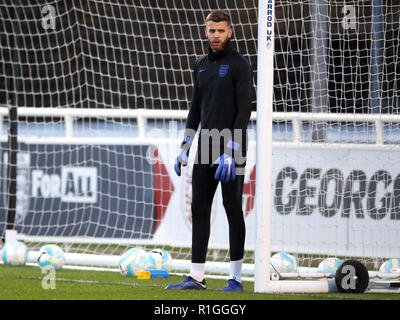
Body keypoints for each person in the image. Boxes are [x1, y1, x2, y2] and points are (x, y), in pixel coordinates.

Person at [166, 10, 253, 292]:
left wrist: (232, 148)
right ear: (206, 31)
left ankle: (236, 279)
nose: (215, 35)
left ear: (231, 32)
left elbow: (244, 110)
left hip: (231, 146)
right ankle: (197, 277)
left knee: (231, 208)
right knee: (199, 207)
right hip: (206, 145)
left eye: (220, 30)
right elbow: (195, 110)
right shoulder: (201, 65)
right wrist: (185, 146)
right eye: (211, 30)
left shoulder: (240, 65)